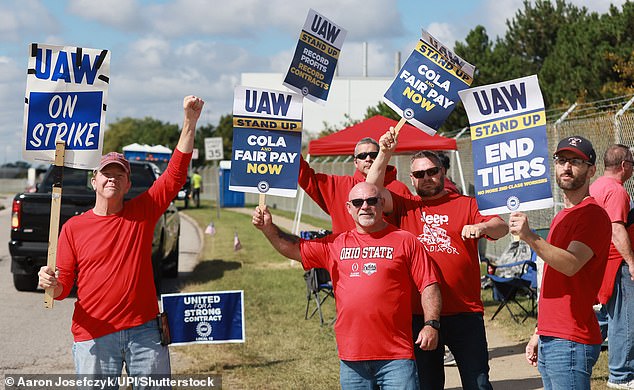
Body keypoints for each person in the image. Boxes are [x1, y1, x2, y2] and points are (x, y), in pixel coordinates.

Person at [38, 96, 205, 381]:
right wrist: (51, 284)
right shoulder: (73, 228)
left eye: (119, 174)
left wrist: (190, 122)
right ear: (94, 180)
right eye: (106, 173)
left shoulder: (144, 211)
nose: (112, 178)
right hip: (94, 334)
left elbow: (175, 176)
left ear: (128, 183)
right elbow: (63, 288)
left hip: (145, 332)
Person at [252, 181, 442, 389]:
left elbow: (429, 284)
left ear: (381, 203)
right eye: (358, 202)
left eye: (371, 201)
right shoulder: (336, 244)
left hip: (396, 357)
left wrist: (431, 324)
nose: (365, 206)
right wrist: (268, 228)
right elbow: (295, 249)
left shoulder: (405, 240)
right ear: (349, 208)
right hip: (352, 358)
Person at [367, 128, 509, 390]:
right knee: (427, 384)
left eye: (432, 171)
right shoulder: (405, 206)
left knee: (477, 382)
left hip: (465, 311)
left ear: (442, 172)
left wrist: (482, 228)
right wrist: (384, 153)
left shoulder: (467, 204)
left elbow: (501, 227)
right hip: (419, 314)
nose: (427, 178)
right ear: (412, 179)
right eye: (420, 174)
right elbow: (370, 191)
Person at [516, 135, 611, 389]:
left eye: (576, 162)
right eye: (561, 160)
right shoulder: (561, 216)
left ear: (591, 170)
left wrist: (530, 237)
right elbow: (553, 280)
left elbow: (570, 264)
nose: (566, 167)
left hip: (571, 338)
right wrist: (539, 331)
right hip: (552, 335)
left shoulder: (593, 215)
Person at [589, 143, 634, 389]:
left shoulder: (596, 186)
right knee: (624, 319)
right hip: (617, 262)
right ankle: (621, 375)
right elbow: (617, 229)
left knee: (605, 318)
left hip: (600, 261)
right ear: (624, 165)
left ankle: (582, 362)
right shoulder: (616, 191)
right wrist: (632, 262)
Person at [298, 137, 411, 234]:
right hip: (347, 256)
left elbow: (410, 226)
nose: (368, 159)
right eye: (362, 156)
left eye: (373, 155)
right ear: (356, 162)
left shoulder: (399, 189)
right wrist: (289, 145)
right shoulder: (338, 186)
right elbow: (306, 177)